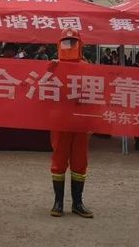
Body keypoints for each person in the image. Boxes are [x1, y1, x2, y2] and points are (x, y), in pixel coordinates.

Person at [50, 28, 94, 218]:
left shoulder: (87, 68)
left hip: (81, 122)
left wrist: (93, 122)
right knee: (59, 162)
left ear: (80, 45)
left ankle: (77, 203)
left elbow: (95, 96)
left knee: (79, 162)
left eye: (72, 42)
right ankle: (58, 202)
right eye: (66, 42)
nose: (69, 46)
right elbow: (40, 91)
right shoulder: (53, 66)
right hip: (60, 121)